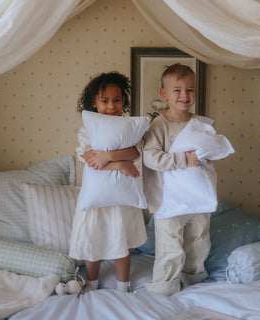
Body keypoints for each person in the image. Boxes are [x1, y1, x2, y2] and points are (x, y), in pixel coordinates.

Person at [69, 71, 147, 293]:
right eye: (105, 101)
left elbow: (133, 152)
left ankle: (124, 285)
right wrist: (119, 165)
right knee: (93, 238)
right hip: (96, 196)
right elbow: (90, 160)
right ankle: (92, 283)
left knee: (120, 240)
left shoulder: (127, 127)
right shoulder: (88, 130)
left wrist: (111, 156)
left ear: (123, 101)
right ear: (94, 102)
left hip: (120, 197)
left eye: (116, 100)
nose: (111, 106)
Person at [143, 63, 212, 296]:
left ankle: (194, 279)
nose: (184, 95)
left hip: (196, 195)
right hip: (168, 199)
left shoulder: (201, 123)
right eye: (177, 90)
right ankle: (164, 287)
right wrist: (182, 159)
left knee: (199, 239)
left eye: (190, 90)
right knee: (170, 244)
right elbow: (150, 158)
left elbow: (208, 153)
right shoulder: (159, 125)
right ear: (164, 94)